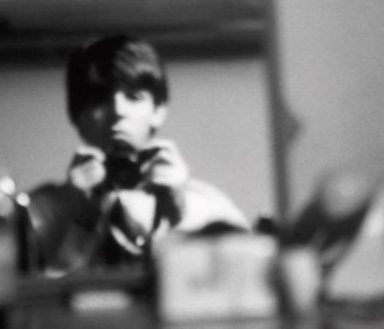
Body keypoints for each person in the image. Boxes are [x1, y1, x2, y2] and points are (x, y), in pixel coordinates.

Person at [28, 34, 249, 276]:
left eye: (134, 97)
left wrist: (176, 216)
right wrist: (78, 219)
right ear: (76, 115)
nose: (118, 111)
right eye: (100, 99)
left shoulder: (206, 207)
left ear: (158, 110)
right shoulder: (38, 212)